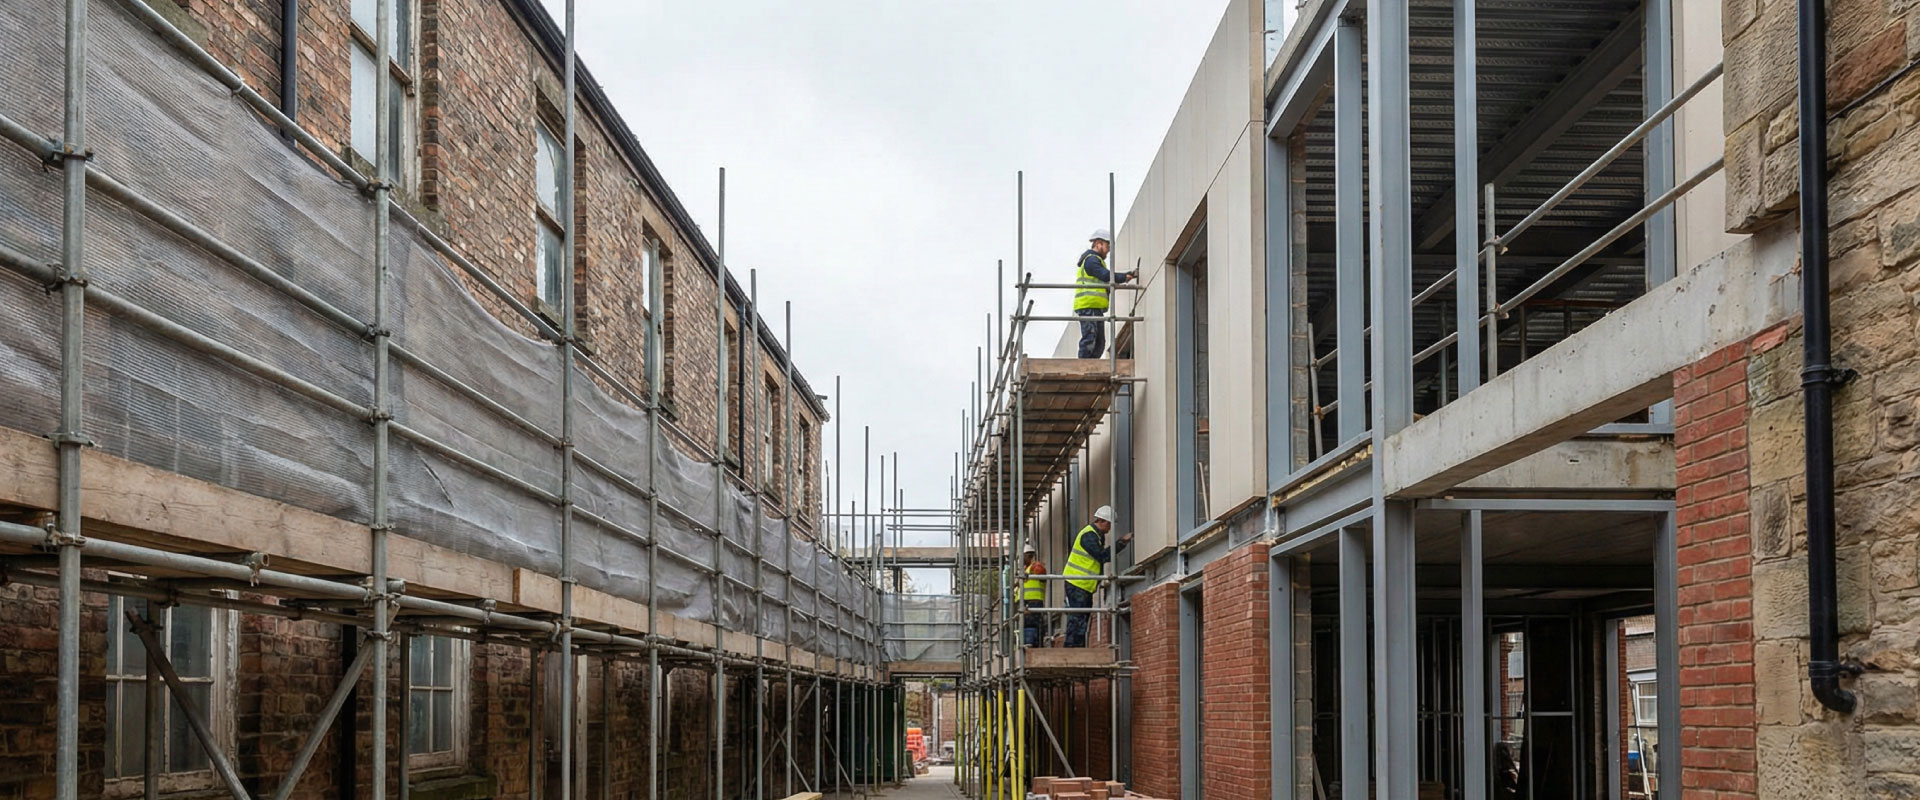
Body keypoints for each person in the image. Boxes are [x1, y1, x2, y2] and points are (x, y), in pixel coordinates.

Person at [1059, 504, 1131, 647]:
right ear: (1102, 521)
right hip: (1077, 583)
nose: (1109, 528)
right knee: (1078, 619)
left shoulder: (1095, 535)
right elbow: (1102, 556)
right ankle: (1071, 651)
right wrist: (1122, 543)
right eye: (1109, 524)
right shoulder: (1089, 535)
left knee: (1082, 619)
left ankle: (1077, 649)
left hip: (1083, 585)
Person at [1074, 229, 1136, 359]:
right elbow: (1105, 275)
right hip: (1087, 306)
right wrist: (1124, 277)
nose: (1108, 250)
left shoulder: (1095, 261)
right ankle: (1083, 366)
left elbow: (1103, 280)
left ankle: (1091, 365)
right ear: (1098, 243)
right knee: (1089, 338)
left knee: (1100, 343)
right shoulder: (1091, 260)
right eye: (1107, 246)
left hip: (1095, 307)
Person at [1020, 545, 1048, 647]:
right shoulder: (1025, 569)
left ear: (1028, 555)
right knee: (1027, 625)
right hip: (1026, 603)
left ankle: (1033, 646)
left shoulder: (1036, 567)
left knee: (1032, 625)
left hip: (1034, 602)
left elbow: (1041, 575)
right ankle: (1030, 645)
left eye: (1021, 556)